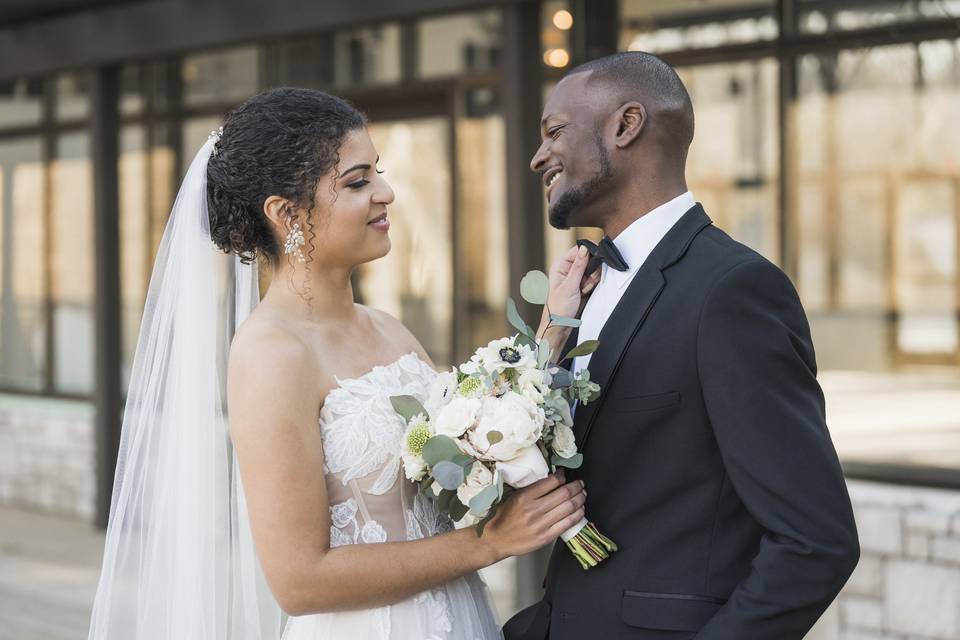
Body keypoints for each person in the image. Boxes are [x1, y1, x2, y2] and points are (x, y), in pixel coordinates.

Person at [88, 87, 587, 640]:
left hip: (459, 618)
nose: (387, 193)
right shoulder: (270, 355)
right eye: (357, 181)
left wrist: (553, 332)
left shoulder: (387, 328)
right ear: (285, 213)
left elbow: (477, 448)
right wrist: (489, 544)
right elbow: (299, 580)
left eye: (378, 172)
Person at [505, 51, 860, 640]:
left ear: (626, 125)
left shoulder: (733, 291)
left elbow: (815, 541)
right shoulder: (580, 290)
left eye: (554, 131)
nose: (539, 155)